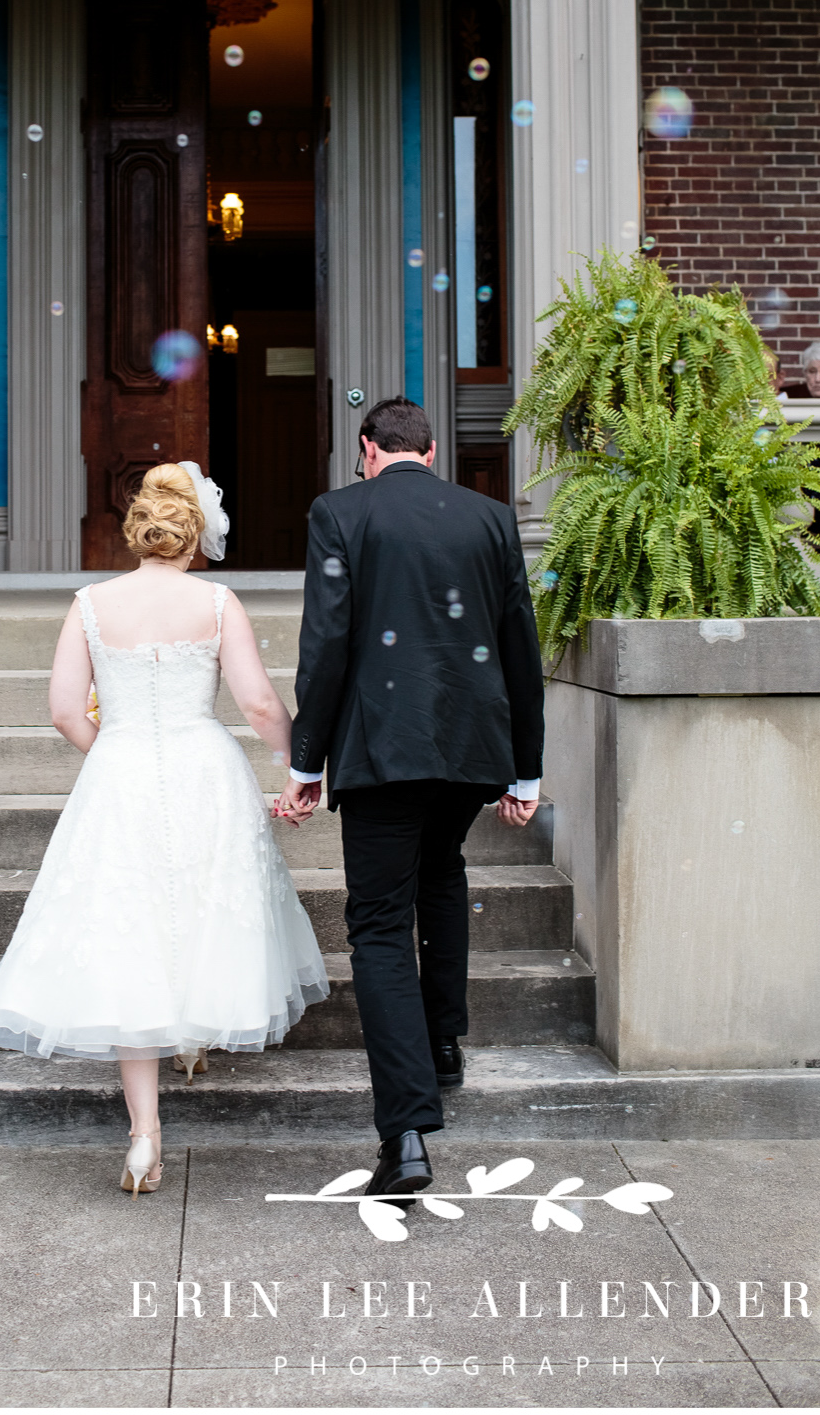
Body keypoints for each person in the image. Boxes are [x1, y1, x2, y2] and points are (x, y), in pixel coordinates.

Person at [0, 462, 328, 1195]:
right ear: (197, 532)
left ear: (140, 527)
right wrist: (300, 768)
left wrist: (114, 757)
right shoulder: (219, 602)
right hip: (204, 767)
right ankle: (191, 1035)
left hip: (122, 770)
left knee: (129, 928)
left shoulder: (91, 604)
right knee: (199, 904)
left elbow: (66, 709)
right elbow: (255, 703)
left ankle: (143, 1136)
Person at [276, 396, 544, 1202]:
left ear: (368, 449)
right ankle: (446, 1046)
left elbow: (326, 640)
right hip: (471, 746)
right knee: (443, 877)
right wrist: (524, 770)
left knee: (381, 926)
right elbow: (519, 645)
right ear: (428, 452)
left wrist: (305, 760)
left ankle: (407, 1137)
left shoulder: (340, 513)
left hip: (383, 749)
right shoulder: (491, 518)